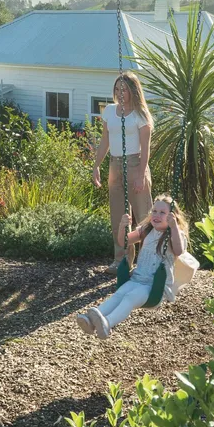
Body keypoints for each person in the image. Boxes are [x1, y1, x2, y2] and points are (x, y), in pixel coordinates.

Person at [76, 195, 187, 340]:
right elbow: (124, 242)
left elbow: (178, 251)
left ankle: (107, 323)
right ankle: (91, 320)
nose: (156, 215)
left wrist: (174, 228)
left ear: (173, 216)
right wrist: (122, 226)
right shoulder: (146, 230)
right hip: (137, 279)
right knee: (119, 294)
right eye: (154, 211)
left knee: (129, 298)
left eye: (162, 212)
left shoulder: (175, 234)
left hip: (155, 286)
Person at [92, 71, 153, 273]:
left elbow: (146, 148)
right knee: (118, 215)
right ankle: (122, 260)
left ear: (133, 91)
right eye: (117, 88)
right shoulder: (109, 111)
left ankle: (146, 263)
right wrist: (97, 165)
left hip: (136, 163)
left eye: (124, 89)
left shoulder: (141, 115)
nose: (120, 92)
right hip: (115, 165)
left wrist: (141, 173)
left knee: (143, 215)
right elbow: (105, 141)